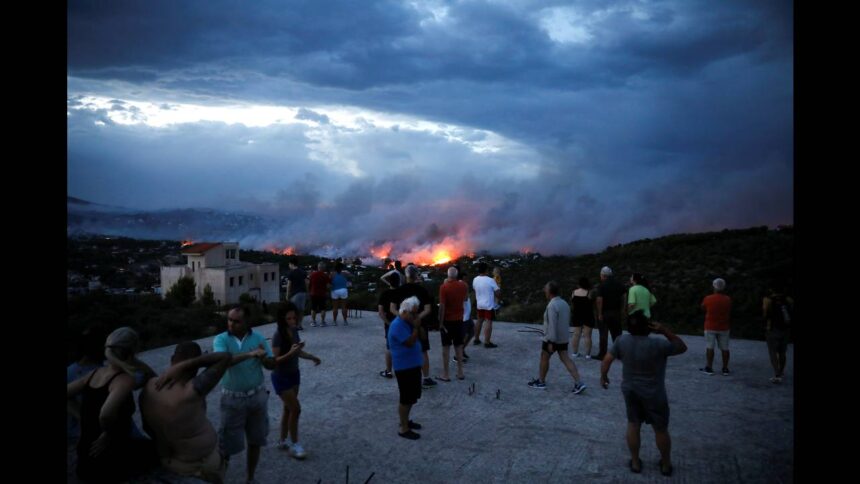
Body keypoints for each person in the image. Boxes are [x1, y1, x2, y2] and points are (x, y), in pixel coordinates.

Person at [600, 311, 687, 476]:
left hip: (630, 390)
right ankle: (666, 465)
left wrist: (603, 377)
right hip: (655, 393)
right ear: (648, 327)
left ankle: (635, 462)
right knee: (660, 429)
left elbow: (606, 360)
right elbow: (681, 347)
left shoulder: (621, 341)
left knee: (633, 424)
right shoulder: (659, 344)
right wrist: (664, 330)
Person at [67, 327, 158, 483]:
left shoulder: (94, 373)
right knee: (157, 452)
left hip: (86, 459)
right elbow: (106, 414)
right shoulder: (125, 379)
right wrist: (108, 433)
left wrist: (83, 418)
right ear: (132, 351)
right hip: (109, 458)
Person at [139, 343, 232, 483]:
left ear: (172, 359)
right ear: (196, 366)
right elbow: (225, 357)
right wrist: (189, 364)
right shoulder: (190, 392)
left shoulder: (149, 387)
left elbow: (147, 427)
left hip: (171, 461)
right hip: (196, 466)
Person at [212, 306, 276, 484]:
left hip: (257, 397)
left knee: (256, 440)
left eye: (236, 321)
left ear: (247, 322)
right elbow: (223, 361)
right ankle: (220, 478)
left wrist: (265, 359)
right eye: (229, 320)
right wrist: (250, 354)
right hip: (232, 399)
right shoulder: (221, 339)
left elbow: (271, 366)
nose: (231, 324)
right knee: (226, 445)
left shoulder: (259, 338)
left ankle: (250, 478)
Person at [271, 302, 322, 459]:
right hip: (281, 375)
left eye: (294, 317)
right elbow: (275, 360)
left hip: (294, 373)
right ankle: (295, 444)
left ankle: (282, 440)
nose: (293, 321)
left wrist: (311, 357)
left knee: (288, 409)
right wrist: (291, 352)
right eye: (289, 318)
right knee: (296, 409)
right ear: (282, 319)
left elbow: (297, 352)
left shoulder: (293, 331)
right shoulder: (278, 335)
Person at [527, 282, 587, 393]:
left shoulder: (552, 305)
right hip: (563, 338)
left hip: (552, 338)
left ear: (549, 292)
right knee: (566, 358)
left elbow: (552, 325)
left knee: (544, 357)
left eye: (545, 289)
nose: (544, 291)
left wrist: (550, 341)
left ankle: (541, 381)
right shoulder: (564, 303)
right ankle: (579, 382)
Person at [390, 265, 437, 388]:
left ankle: (407, 378)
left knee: (404, 348)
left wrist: (403, 318)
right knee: (423, 350)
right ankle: (426, 378)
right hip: (419, 325)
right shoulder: (422, 290)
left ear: (405, 276)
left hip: (402, 325)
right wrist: (416, 319)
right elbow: (428, 309)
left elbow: (392, 309)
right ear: (416, 275)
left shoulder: (399, 290)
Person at [387, 296, 425, 440]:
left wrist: (417, 326)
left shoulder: (408, 322)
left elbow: (422, 337)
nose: (416, 316)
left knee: (412, 397)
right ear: (404, 312)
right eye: (413, 313)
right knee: (406, 398)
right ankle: (403, 428)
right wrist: (415, 327)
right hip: (404, 367)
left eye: (416, 313)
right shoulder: (397, 325)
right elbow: (409, 342)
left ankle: (405, 421)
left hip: (413, 365)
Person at [68, 326, 107, 448]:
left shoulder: (70, 371)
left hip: (80, 436)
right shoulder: (107, 371)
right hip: (90, 437)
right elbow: (148, 376)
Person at [438, 266, 467, 381]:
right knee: (458, 346)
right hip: (459, 320)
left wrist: (440, 322)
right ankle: (460, 372)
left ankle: (446, 374)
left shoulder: (444, 287)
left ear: (447, 275)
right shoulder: (463, 286)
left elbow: (442, 306)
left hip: (447, 321)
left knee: (446, 348)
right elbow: (464, 299)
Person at [699, 278, 732, 376]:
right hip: (724, 326)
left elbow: (703, 307)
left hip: (710, 326)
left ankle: (709, 367)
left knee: (710, 347)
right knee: (725, 348)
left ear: (714, 286)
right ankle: (725, 368)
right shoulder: (727, 299)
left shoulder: (708, 298)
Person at [595, 266, 626, 360]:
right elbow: (624, 297)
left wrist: (600, 313)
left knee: (603, 334)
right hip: (616, 312)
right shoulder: (619, 284)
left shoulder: (602, 286)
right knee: (617, 334)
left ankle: (602, 354)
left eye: (601, 275)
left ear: (603, 275)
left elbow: (600, 300)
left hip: (605, 313)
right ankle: (620, 354)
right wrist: (623, 309)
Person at [763, 285, 793, 383]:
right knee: (782, 352)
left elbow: (765, 313)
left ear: (771, 289)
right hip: (785, 329)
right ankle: (781, 371)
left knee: (772, 352)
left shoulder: (767, 300)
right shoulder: (788, 299)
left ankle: (777, 374)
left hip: (772, 328)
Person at [377, 273, 401, 378]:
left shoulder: (385, 294)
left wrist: (388, 323)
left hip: (390, 324)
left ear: (389, 282)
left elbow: (381, 312)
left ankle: (389, 371)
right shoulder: (403, 293)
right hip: (403, 323)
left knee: (389, 347)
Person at [472, 262, 501, 348]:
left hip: (479, 304)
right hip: (488, 305)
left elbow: (475, 289)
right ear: (486, 270)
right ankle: (487, 342)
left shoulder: (475, 279)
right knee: (488, 321)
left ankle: (476, 339)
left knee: (479, 320)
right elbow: (498, 293)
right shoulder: (490, 280)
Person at [570, 277, 596, 359]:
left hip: (577, 315)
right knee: (587, 336)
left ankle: (575, 353)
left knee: (576, 335)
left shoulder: (574, 292)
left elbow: (572, 303)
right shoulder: (589, 293)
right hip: (588, 316)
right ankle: (588, 355)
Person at [285, 257, 309, 330]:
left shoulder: (291, 273)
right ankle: (299, 325)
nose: (289, 266)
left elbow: (289, 285)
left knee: (294, 310)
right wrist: (307, 292)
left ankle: (294, 325)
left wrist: (287, 295)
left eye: (289, 264)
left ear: (292, 264)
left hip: (295, 294)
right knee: (301, 310)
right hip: (303, 293)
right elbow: (307, 282)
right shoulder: (303, 272)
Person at [457, 267, 474, 362]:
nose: (467, 279)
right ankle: (457, 355)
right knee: (463, 336)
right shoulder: (462, 285)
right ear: (463, 277)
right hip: (463, 316)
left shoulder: (462, 284)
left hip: (467, 315)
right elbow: (464, 299)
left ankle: (462, 350)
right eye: (466, 277)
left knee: (472, 332)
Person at [308, 261, 331, 327]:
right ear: (324, 268)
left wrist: (309, 291)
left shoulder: (312, 275)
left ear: (318, 267)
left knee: (313, 308)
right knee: (323, 309)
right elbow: (328, 286)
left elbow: (309, 284)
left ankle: (313, 322)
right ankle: (322, 322)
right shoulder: (325, 275)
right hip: (322, 294)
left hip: (313, 294)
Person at [330, 261, 350, 326]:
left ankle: (334, 321)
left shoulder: (332, 274)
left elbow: (330, 281)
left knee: (335, 307)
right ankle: (345, 321)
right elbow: (350, 275)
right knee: (344, 307)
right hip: (343, 290)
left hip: (334, 290)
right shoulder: (345, 273)